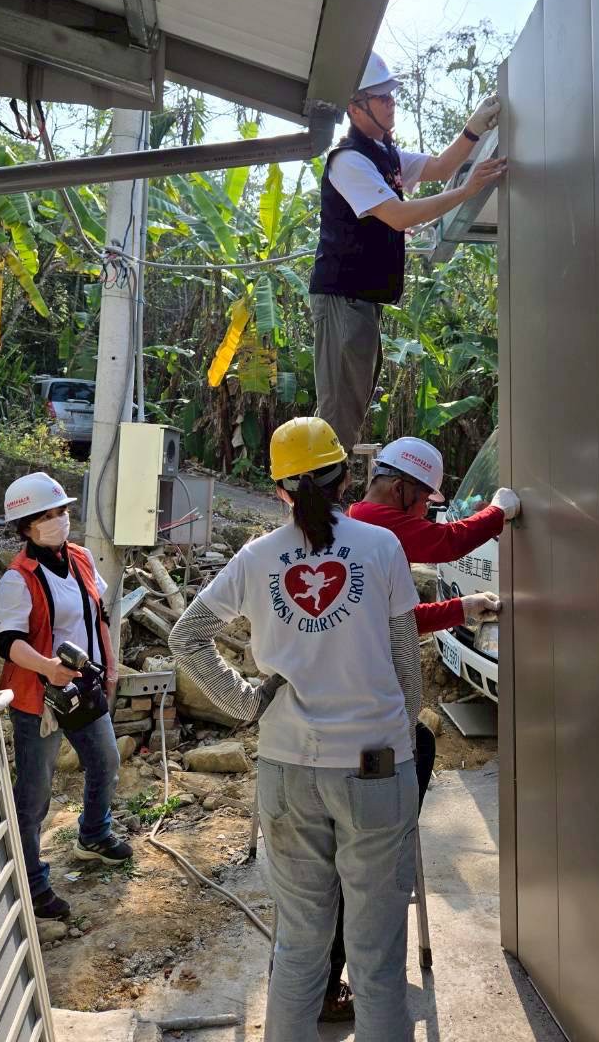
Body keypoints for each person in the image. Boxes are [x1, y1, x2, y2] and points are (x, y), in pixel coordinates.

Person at [169, 418, 422, 1042]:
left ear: (279, 489)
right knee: (376, 957)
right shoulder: (382, 548)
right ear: (347, 479)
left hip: (286, 770)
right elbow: (405, 662)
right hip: (375, 766)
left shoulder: (256, 558)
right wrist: (399, 732)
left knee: (300, 949)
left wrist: (245, 703)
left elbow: (186, 636)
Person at [319, 435, 521, 1018]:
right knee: (362, 861)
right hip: (366, 730)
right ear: (402, 488)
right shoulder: (379, 525)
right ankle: (330, 986)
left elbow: (400, 618)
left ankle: (319, 977)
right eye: (424, 501)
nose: (427, 513)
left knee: (418, 752)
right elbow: (449, 541)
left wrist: (462, 608)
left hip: (338, 723)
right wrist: (499, 512)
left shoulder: (352, 527)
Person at [309, 51, 508, 454]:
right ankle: (317, 492)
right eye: (381, 97)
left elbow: (438, 167)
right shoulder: (349, 161)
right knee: (338, 416)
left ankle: (322, 490)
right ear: (355, 107)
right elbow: (398, 216)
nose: (390, 102)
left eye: (391, 95)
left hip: (360, 302)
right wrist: (467, 191)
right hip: (343, 299)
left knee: (348, 410)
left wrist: (472, 130)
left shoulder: (384, 154)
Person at [0, 471, 131, 921]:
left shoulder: (81, 558)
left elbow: (99, 615)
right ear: (26, 527)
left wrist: (110, 666)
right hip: (40, 699)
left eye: (61, 512)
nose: (58, 521)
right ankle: (31, 881)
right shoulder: (17, 579)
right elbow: (8, 642)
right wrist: (48, 667)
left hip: (84, 687)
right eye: (46, 516)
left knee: (106, 761)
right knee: (35, 793)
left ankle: (94, 834)